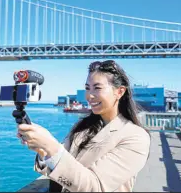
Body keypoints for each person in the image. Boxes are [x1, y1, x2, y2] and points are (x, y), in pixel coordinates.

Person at [17, 60, 151, 192]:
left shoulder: (136, 137)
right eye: (87, 88)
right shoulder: (83, 127)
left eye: (97, 88)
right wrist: (43, 151)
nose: (89, 95)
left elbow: (95, 186)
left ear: (120, 92)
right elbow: (59, 165)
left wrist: (50, 145)